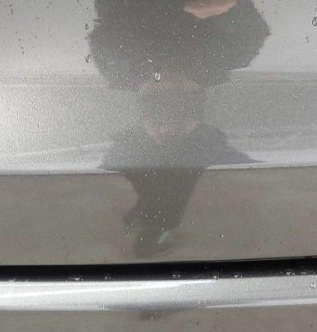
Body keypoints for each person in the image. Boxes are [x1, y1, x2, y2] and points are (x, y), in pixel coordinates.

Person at [89, 0, 270, 257]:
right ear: (200, 97)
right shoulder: (233, 50)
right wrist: (222, 6)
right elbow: (251, 26)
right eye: (182, 102)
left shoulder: (115, 60)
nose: (168, 86)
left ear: (140, 104)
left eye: (157, 103)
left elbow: (110, 14)